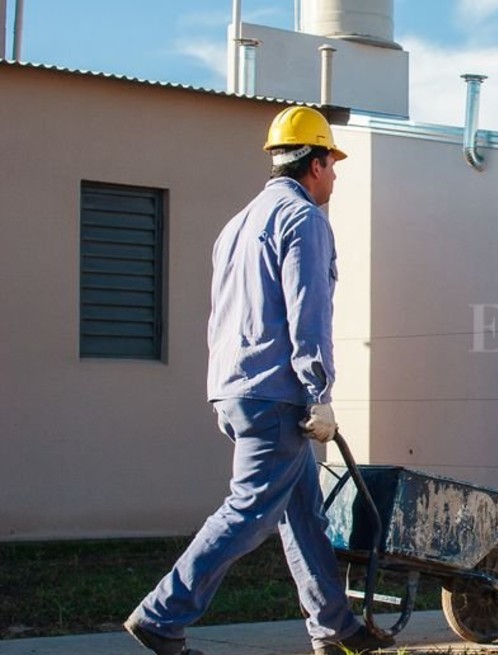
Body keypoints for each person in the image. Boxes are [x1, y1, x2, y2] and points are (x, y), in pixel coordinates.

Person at [124, 106, 395, 655]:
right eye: (333, 164)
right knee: (248, 508)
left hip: (235, 385)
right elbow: (308, 311)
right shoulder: (304, 220)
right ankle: (161, 613)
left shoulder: (240, 222)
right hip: (277, 393)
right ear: (315, 163)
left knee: (303, 514)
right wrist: (319, 393)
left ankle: (335, 626)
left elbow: (226, 311)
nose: (336, 177)